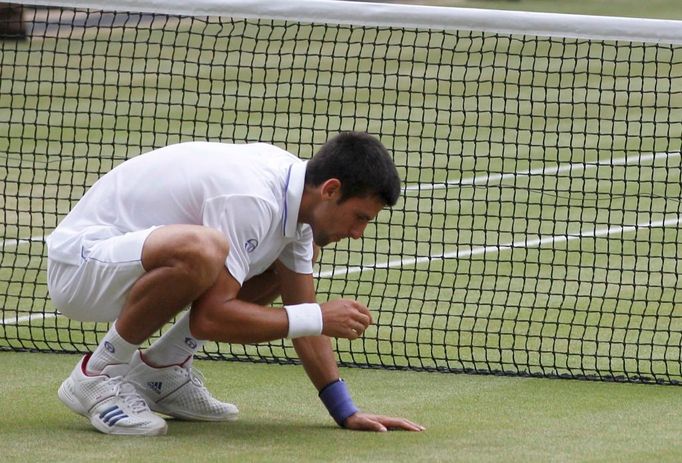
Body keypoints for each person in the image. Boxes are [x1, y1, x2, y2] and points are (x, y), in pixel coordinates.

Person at [46, 131, 425, 436]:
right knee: (204, 249)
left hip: (130, 264)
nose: (358, 233)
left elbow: (303, 310)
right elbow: (212, 318)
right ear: (330, 190)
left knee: (280, 265)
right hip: (83, 267)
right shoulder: (253, 197)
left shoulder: (298, 209)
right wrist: (319, 317)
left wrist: (346, 411)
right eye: (359, 217)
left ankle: (161, 370)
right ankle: (96, 375)